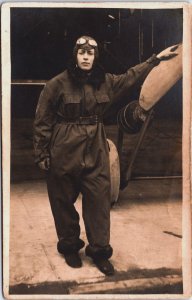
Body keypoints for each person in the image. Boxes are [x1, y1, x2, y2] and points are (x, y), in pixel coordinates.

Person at [33, 35, 176, 276]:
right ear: (75, 56)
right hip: (64, 146)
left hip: (95, 146)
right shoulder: (56, 84)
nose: (86, 57)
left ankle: (99, 251)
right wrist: (42, 153)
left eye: (90, 53)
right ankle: (69, 247)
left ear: (95, 57)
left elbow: (131, 77)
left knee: (99, 200)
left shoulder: (106, 82)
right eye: (82, 53)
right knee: (62, 200)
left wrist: (155, 60)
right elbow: (42, 120)